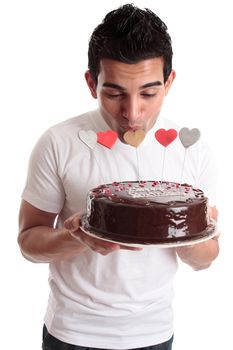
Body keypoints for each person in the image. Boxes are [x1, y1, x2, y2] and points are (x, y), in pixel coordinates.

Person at [18, 4, 219, 350]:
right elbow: (28, 243)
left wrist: (184, 230)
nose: (132, 113)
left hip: (155, 333)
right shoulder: (58, 142)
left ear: (169, 83)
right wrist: (80, 236)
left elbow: (208, 257)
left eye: (148, 93)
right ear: (91, 83)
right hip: (71, 333)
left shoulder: (192, 149)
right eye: (114, 94)